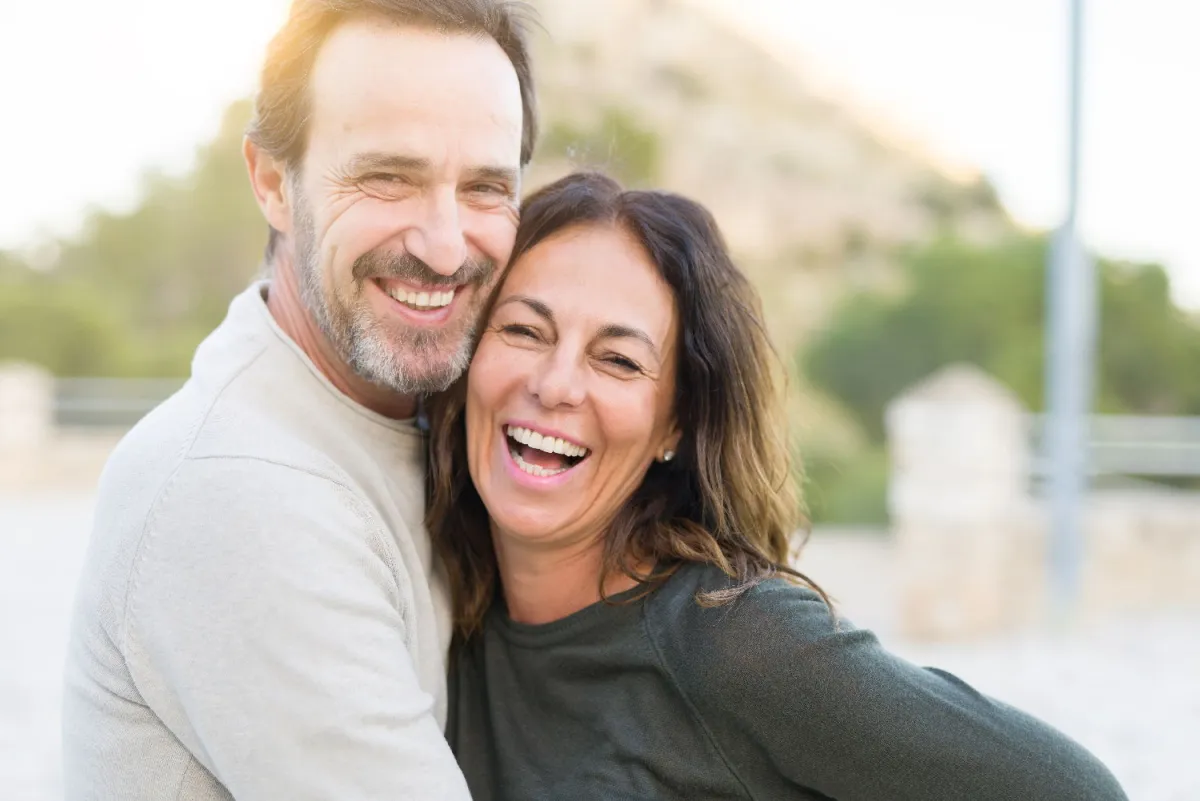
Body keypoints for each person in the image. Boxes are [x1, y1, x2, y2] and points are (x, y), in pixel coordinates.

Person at [431, 172, 1130, 801]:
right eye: (524, 330)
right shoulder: (432, 606)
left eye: (617, 359)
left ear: (676, 422)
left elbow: (1074, 790)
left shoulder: (737, 641)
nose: (554, 384)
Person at [61, 1, 537, 798]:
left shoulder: (431, 422)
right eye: (389, 178)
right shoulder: (238, 488)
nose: (445, 245)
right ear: (273, 182)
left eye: (486, 187)